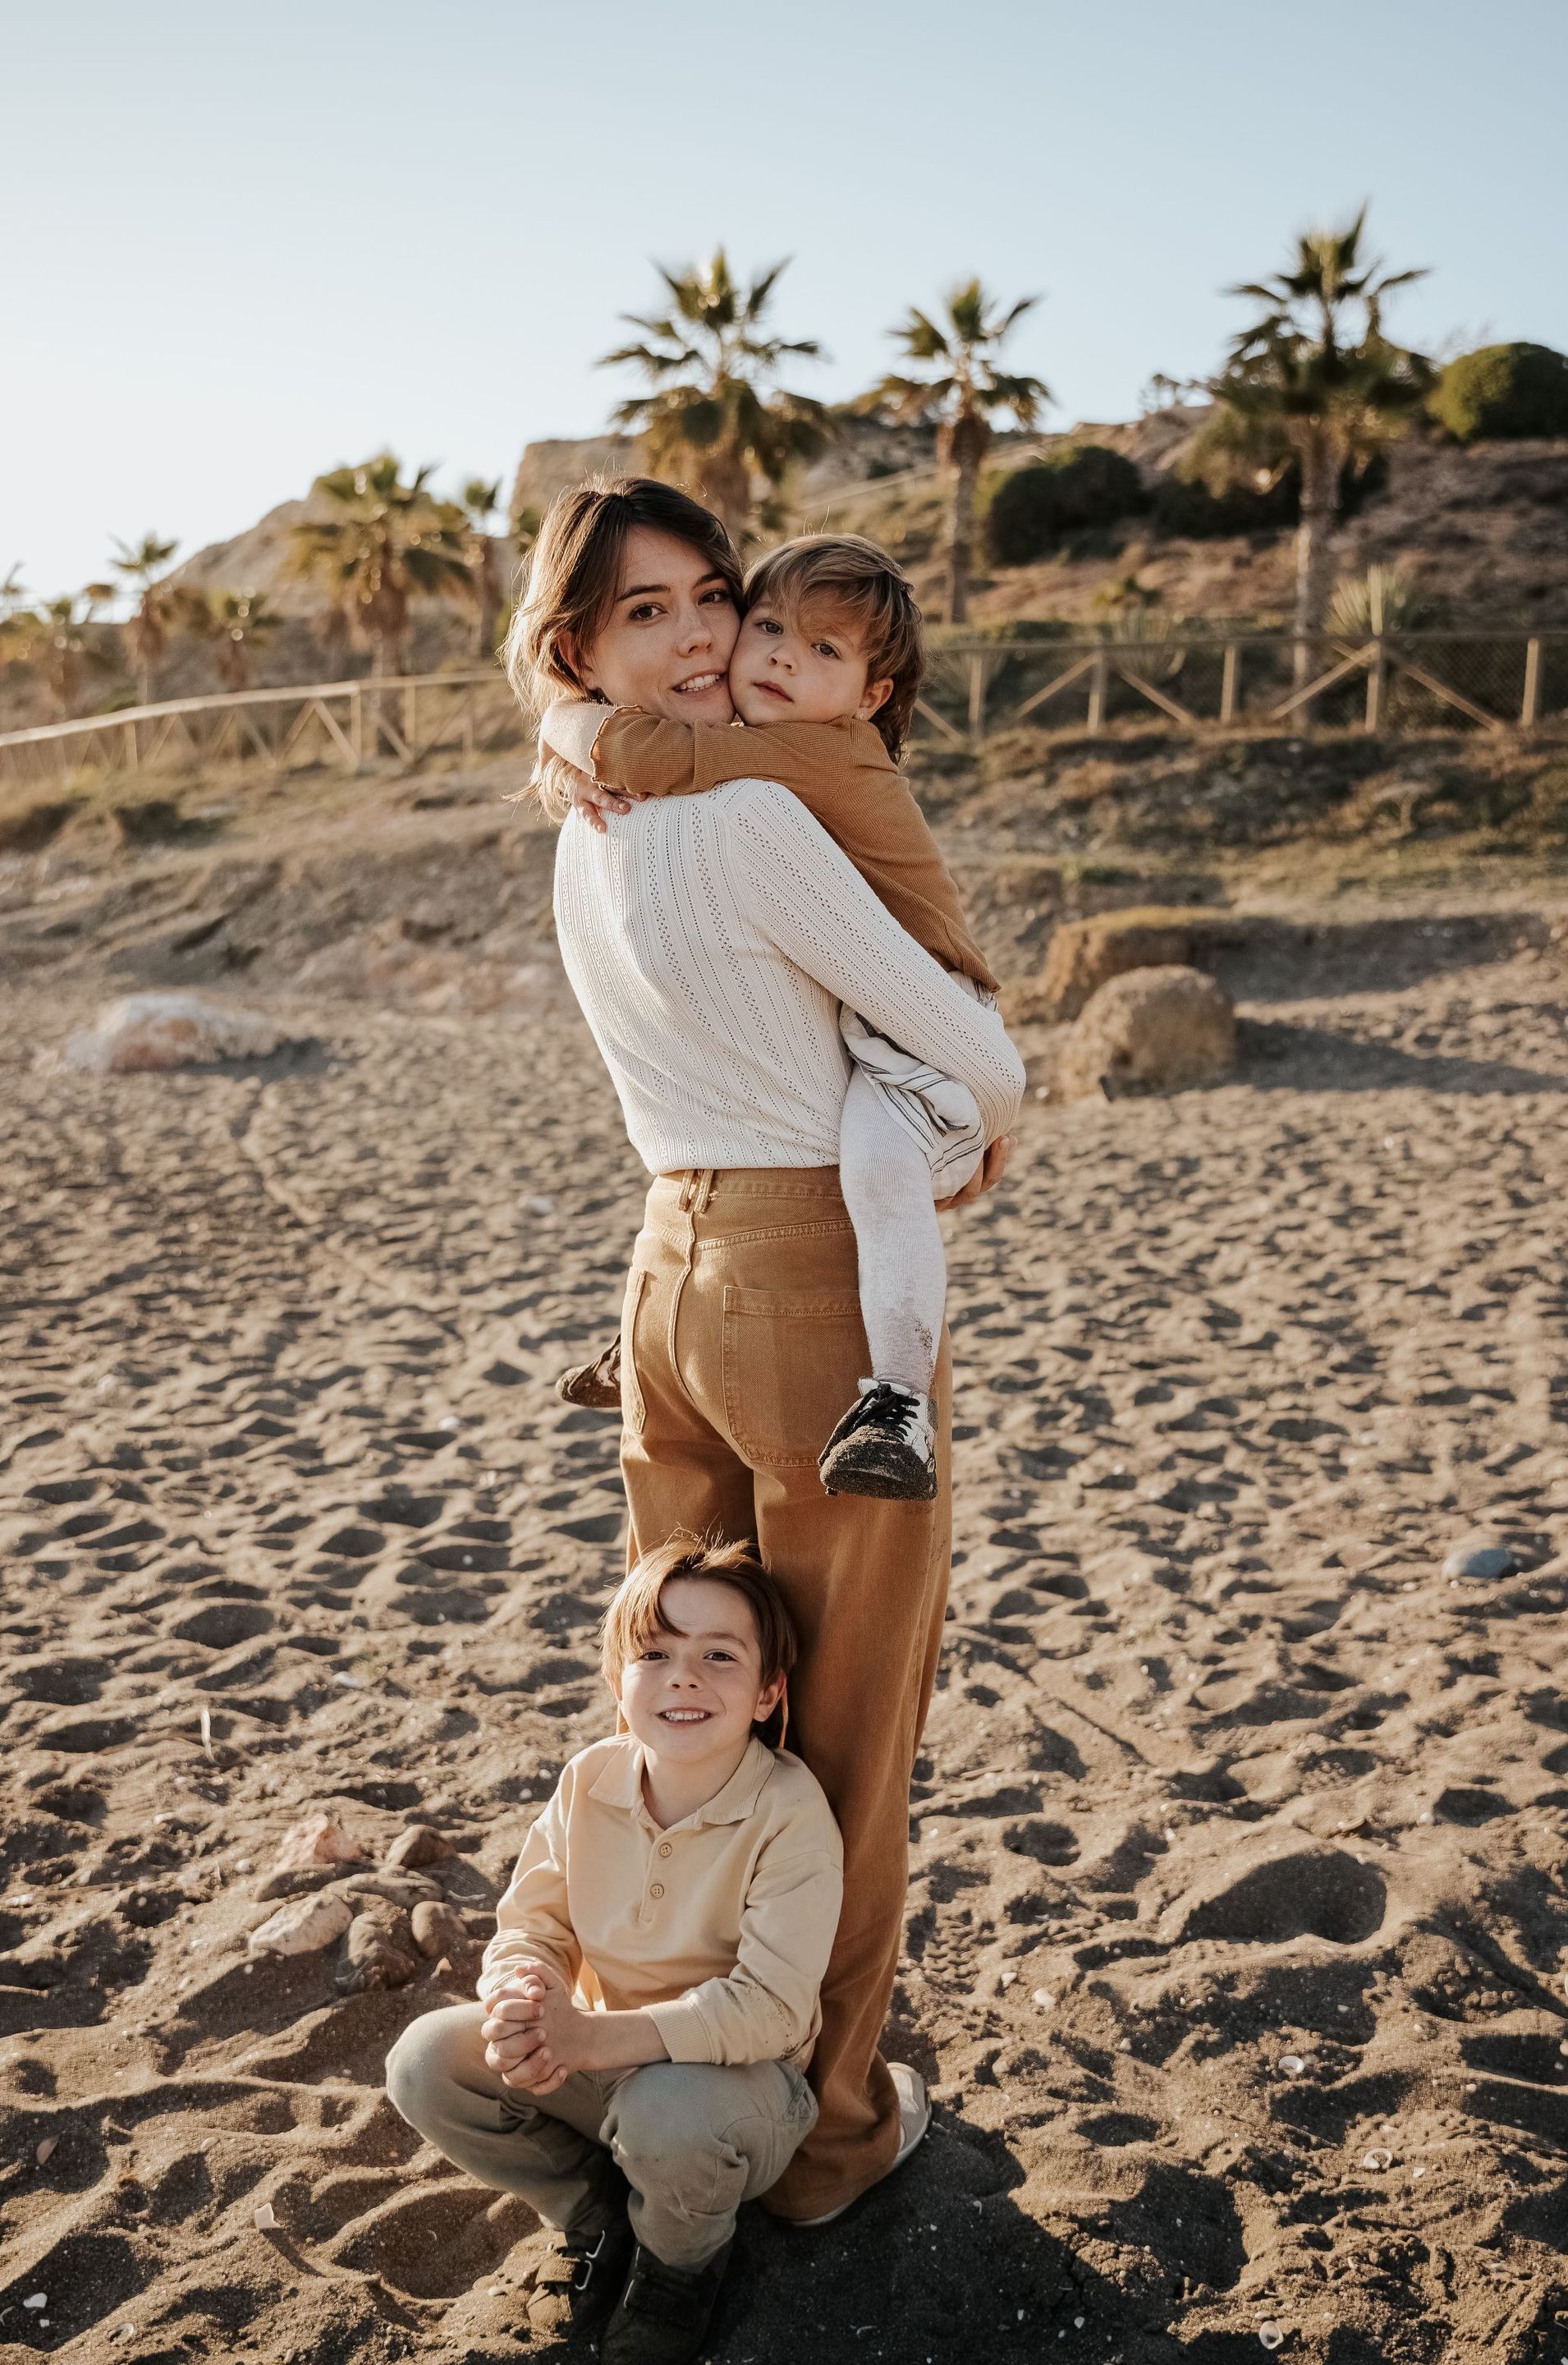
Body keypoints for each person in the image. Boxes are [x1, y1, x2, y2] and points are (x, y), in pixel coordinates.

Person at [502, 477, 1023, 2225]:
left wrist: (577, 713)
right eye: (649, 616)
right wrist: (978, 1118)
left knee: (685, 1714)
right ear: (578, 644)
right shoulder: (745, 818)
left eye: (716, 597)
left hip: (662, 1277)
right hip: (811, 1281)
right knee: (847, 1734)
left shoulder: (583, 826)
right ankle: (834, 2138)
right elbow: (978, 1049)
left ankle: (647, 2053)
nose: (709, 638)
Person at [541, 531, 1000, 1504]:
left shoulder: (800, 760)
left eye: (826, 651)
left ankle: (893, 1398)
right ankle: (860, 1390)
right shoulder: (744, 795)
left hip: (927, 1021)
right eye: (772, 627)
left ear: (873, 696)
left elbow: (644, 749)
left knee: (883, 1170)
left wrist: (564, 721)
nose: (781, 655)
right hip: (825, 1150)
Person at [386, 1535, 841, 2365]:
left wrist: (595, 2038)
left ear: (771, 1691)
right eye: (656, 1652)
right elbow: (534, 1920)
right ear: (615, 1682)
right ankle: (594, 2215)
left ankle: (679, 2268)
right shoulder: (590, 1780)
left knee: (664, 2113)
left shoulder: (788, 1811)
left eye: (719, 1655)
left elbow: (774, 2010)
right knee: (427, 2062)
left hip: (735, 2102)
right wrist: (524, 1991)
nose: (685, 1676)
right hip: (603, 2065)